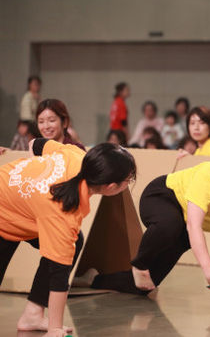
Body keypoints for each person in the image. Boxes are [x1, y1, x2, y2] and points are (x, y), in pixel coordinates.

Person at [90, 132, 210, 307]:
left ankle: (93, 279)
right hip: (163, 196)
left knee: (143, 287)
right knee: (171, 224)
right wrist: (209, 270)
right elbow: (194, 225)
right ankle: (140, 264)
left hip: (183, 224)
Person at [0, 139, 136, 337]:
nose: (129, 182)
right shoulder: (63, 213)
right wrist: (55, 329)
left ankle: (33, 314)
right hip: (5, 213)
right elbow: (59, 275)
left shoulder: (75, 154)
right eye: (129, 179)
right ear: (111, 187)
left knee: (74, 241)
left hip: (17, 207)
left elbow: (35, 143)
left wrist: (33, 188)